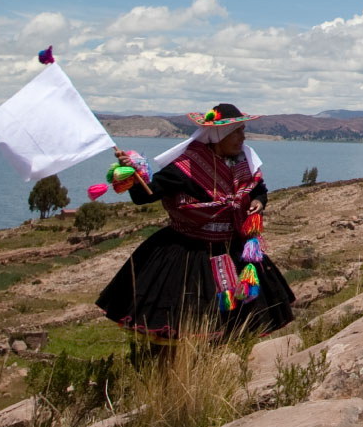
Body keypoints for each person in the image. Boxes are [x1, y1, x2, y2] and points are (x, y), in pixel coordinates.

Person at [97, 103, 296, 346]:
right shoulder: (186, 167)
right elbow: (145, 196)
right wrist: (132, 174)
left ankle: (223, 364)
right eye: (236, 132)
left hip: (233, 247)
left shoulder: (244, 162)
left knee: (236, 320)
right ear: (218, 136)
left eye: (242, 131)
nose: (242, 137)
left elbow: (260, 190)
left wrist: (258, 202)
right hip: (190, 252)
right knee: (191, 313)